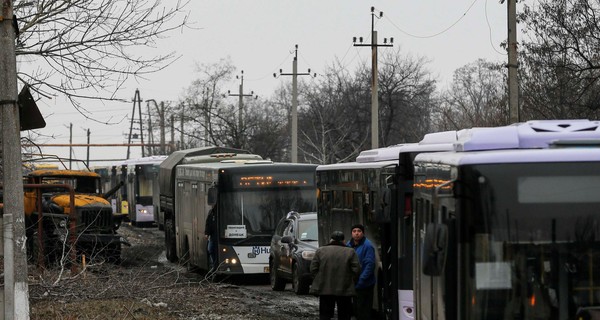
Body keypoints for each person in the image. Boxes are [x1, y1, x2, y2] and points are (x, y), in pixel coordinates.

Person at [310, 231, 361, 320]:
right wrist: (350, 281)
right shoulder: (350, 251)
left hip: (325, 289)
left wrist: (320, 279)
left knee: (325, 315)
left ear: (331, 240)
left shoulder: (320, 250)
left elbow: (313, 269)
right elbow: (356, 270)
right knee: (344, 315)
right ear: (343, 241)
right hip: (344, 289)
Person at [347, 224, 376, 320]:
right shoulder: (348, 245)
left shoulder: (367, 246)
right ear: (351, 233)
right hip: (354, 283)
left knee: (363, 310)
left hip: (365, 284)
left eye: (359, 231)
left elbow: (369, 265)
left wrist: (362, 280)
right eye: (354, 231)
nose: (356, 233)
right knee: (356, 309)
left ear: (363, 233)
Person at [204, 204, 219, 271]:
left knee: (215, 250)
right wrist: (207, 233)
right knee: (210, 249)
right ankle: (213, 264)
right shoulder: (211, 212)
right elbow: (208, 223)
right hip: (213, 236)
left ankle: (215, 265)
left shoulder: (220, 212)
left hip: (218, 236)